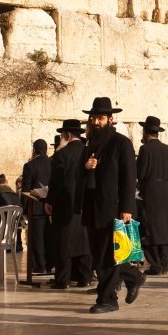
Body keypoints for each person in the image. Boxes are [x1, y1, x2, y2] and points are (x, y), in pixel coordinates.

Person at [81, 97, 146, 314]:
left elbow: (129, 178)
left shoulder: (121, 143)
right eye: (94, 118)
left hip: (114, 207)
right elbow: (79, 177)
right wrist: (86, 167)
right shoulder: (90, 144)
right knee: (100, 254)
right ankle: (133, 276)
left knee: (109, 254)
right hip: (93, 207)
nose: (96, 122)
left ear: (110, 119)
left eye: (100, 118)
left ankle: (107, 298)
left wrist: (127, 207)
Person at [45, 119, 92, 289]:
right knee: (83, 239)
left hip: (65, 202)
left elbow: (56, 181)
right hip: (83, 201)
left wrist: (49, 201)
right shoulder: (88, 152)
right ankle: (84, 277)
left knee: (63, 240)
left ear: (67, 135)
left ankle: (63, 279)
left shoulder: (61, 154)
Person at [136, 116, 168, 276]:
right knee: (164, 227)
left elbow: (141, 173)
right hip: (166, 190)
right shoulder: (167, 149)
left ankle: (156, 264)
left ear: (145, 132)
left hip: (151, 190)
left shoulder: (145, 149)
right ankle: (164, 263)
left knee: (150, 227)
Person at [22, 139, 51, 274]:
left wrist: (24, 209)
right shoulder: (53, 163)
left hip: (36, 207)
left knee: (37, 238)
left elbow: (26, 190)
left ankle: (40, 265)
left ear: (34, 150)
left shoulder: (30, 166)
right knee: (49, 237)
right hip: (51, 206)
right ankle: (50, 264)